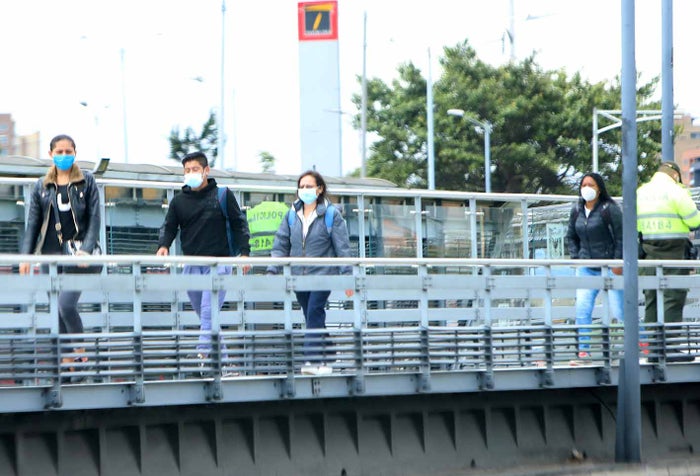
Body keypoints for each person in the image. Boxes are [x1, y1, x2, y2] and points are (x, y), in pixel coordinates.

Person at [156, 151, 251, 369]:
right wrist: (163, 245)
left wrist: (245, 253)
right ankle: (223, 363)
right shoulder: (179, 201)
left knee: (209, 310)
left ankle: (202, 354)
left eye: (195, 169)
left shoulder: (223, 195)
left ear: (206, 170)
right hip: (192, 264)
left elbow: (239, 224)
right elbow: (169, 226)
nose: (191, 173)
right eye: (187, 170)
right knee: (207, 315)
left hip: (219, 263)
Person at [19, 134, 101, 373]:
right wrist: (26, 255)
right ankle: (68, 364)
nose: (64, 156)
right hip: (51, 255)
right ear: (50, 154)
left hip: (78, 256)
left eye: (68, 152)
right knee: (56, 309)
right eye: (59, 152)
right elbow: (33, 224)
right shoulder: (41, 185)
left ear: (75, 153)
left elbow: (95, 218)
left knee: (66, 305)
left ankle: (80, 354)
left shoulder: (87, 181)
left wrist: (86, 250)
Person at [267, 170, 354, 376]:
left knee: (315, 311)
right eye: (301, 186)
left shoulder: (331, 215)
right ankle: (329, 354)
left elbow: (342, 248)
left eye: (309, 186)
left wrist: (347, 277)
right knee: (311, 316)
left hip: (323, 275)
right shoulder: (291, 215)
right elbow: (281, 244)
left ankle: (312, 360)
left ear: (319, 189)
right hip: (299, 276)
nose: (304, 190)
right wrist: (272, 269)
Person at [637, 161, 700, 362]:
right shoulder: (677, 191)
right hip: (674, 251)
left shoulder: (641, 192)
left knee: (652, 298)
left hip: (648, 250)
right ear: (674, 175)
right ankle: (670, 349)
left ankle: (654, 350)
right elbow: (694, 220)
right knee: (673, 297)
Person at [566, 172, 623, 359]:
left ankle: (640, 344)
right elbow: (571, 237)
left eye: (591, 185)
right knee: (583, 308)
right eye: (584, 185)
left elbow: (621, 237)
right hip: (587, 266)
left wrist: (617, 262)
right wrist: (576, 258)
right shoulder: (577, 210)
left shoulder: (609, 209)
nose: (587, 189)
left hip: (610, 266)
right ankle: (584, 350)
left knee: (621, 310)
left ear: (599, 189)